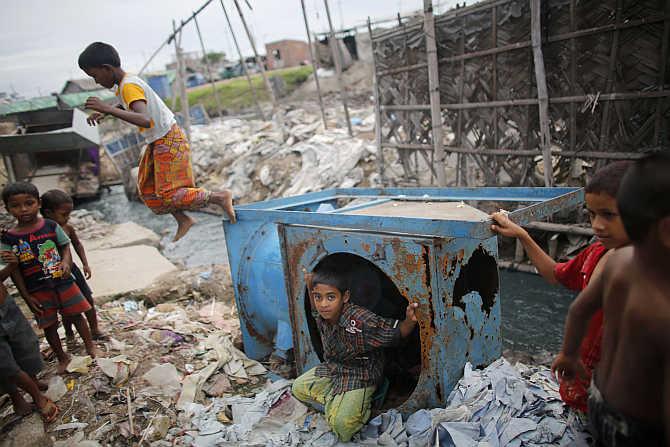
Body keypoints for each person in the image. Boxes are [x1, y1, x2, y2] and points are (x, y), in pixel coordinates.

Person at [489, 161, 631, 412]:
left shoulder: (651, 274)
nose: (597, 225)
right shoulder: (596, 253)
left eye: (608, 215)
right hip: (583, 392)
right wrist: (521, 234)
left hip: (620, 400)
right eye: (591, 214)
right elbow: (556, 274)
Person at [552, 151, 670, 446]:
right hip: (638, 425)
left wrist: (569, 355)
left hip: (597, 398)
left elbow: (578, 310)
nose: (597, 225)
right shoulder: (664, 303)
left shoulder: (616, 262)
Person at [77, 42, 236, 242]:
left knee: (169, 194)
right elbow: (126, 102)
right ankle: (183, 219)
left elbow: (145, 119)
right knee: (148, 190)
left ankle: (219, 197)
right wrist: (105, 112)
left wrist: (108, 110)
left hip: (168, 140)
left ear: (107, 69)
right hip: (158, 140)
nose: (97, 82)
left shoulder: (129, 86)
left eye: (95, 76)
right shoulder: (124, 85)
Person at [291, 268, 419, 441]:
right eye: (317, 297)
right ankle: (340, 404)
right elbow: (315, 310)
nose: (323, 304)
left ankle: (365, 408)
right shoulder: (323, 314)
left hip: (360, 375)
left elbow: (396, 332)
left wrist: (409, 320)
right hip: (335, 369)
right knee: (298, 388)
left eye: (330, 297)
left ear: (345, 297)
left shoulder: (360, 320)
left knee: (342, 429)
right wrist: (309, 283)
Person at [1, 182, 99, 373]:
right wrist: (26, 297)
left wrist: (65, 262)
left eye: (28, 203)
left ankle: (91, 347)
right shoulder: (8, 238)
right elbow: (13, 270)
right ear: (7, 209)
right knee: (49, 325)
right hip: (37, 289)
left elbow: (65, 246)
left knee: (76, 314)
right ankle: (63, 358)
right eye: (16, 206)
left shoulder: (50, 225)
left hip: (62, 281)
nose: (23, 209)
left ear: (38, 203)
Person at [0, 256, 59, 422]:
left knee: (25, 346)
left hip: (6, 305)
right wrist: (11, 266)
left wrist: (11, 265)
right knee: (5, 364)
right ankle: (28, 397)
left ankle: (31, 381)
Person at [40, 189, 104, 342]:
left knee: (88, 299)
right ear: (48, 213)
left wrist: (85, 264)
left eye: (69, 214)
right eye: (64, 214)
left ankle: (94, 329)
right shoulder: (41, 231)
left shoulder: (67, 228)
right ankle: (69, 335)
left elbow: (77, 244)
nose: (67, 218)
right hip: (54, 274)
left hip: (71, 269)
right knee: (66, 308)